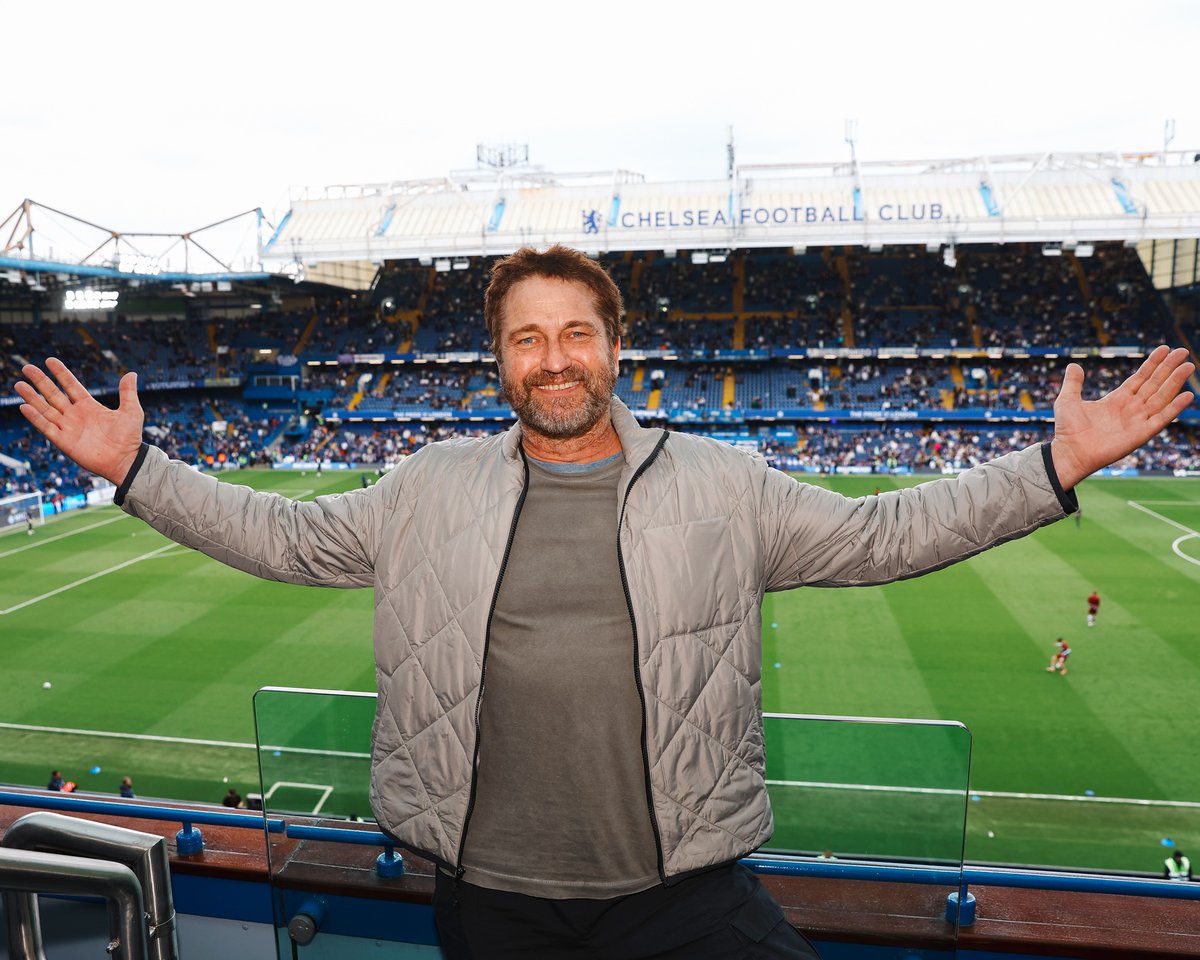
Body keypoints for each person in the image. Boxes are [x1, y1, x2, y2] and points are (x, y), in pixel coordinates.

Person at [13, 245, 1195, 960]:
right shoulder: (425, 486)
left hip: (680, 895)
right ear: (500, 363)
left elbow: (888, 534)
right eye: (527, 338)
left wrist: (1054, 468)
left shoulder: (726, 485)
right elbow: (279, 535)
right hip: (490, 899)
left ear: (617, 346)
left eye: (576, 330)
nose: (554, 355)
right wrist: (136, 470)